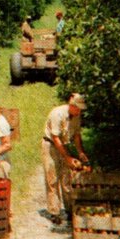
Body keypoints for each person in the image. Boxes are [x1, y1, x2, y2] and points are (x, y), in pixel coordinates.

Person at [42, 94, 88, 225]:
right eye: (78, 108)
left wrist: (80, 152)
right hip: (50, 145)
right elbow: (55, 138)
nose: (79, 111)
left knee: (67, 178)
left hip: (64, 144)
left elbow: (77, 135)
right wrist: (67, 157)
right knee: (52, 178)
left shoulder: (76, 115)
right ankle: (54, 212)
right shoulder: (57, 114)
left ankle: (69, 210)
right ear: (72, 105)